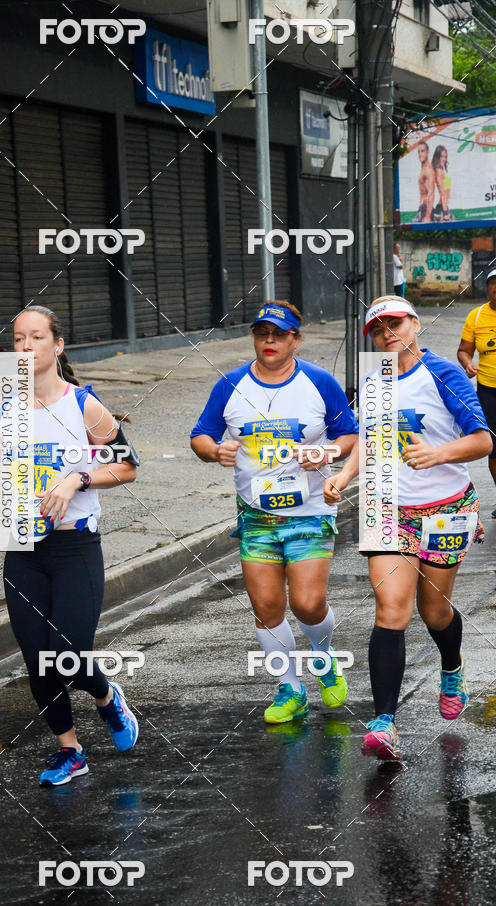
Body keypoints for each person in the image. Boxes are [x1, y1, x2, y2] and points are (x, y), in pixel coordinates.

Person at [0, 304, 140, 786]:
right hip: (22, 548)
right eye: (18, 339)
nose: (25, 347)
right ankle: (71, 751)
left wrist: (77, 480)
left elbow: (126, 467)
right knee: (36, 656)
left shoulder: (81, 405)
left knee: (67, 652)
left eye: (36, 337)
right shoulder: (3, 412)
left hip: (74, 549)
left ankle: (106, 697)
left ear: (57, 346)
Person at [324, 296, 491, 761]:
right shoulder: (374, 376)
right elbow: (369, 439)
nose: (387, 333)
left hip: (445, 508)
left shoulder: (443, 373)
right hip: (389, 506)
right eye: (378, 329)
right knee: (391, 608)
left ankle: (451, 664)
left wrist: (438, 453)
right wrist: (343, 475)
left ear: (415, 324)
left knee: (434, 611)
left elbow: (482, 439)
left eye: (395, 323)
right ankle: (384, 723)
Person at [190, 301, 358, 725]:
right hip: (256, 514)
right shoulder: (230, 384)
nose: (269, 340)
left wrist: (327, 450)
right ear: (254, 337)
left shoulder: (319, 382)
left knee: (307, 603)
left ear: (295, 339)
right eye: (262, 332)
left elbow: (351, 435)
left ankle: (323, 656)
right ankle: (291, 689)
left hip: (309, 511)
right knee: (266, 607)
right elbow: (200, 436)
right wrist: (215, 450)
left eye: (279, 334)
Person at [458, 266, 496, 516]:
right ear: (488, 288)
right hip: (488, 390)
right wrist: (467, 363)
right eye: (492, 283)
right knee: (494, 446)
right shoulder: (477, 315)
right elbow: (464, 350)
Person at [413, 141, 434, 224]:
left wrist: (427, 216)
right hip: (422, 208)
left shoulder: (428, 170)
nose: (420, 154)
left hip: (425, 210)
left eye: (422, 151)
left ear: (427, 153)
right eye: (418, 151)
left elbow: (431, 194)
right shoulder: (423, 168)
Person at [431, 145, 453, 222]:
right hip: (442, 209)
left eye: (445, 156)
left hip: (444, 206)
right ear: (437, 157)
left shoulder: (441, 170)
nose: (443, 159)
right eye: (441, 156)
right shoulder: (438, 171)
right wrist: (445, 212)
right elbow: (442, 193)